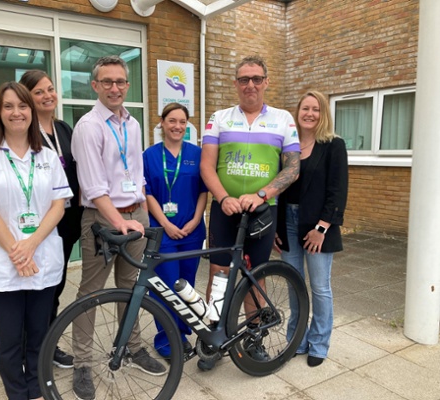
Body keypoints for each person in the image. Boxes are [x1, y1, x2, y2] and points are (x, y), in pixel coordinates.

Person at [0, 81, 73, 399]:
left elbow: (58, 206)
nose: (17, 112)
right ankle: (16, 393)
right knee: (10, 341)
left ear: (31, 110)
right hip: (2, 265)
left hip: (41, 259)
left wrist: (30, 245)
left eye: (23, 106)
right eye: (8, 106)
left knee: (40, 336)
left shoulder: (49, 157)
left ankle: (38, 390)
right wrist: (17, 250)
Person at [70, 55, 166, 400]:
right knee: (91, 293)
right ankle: (82, 364)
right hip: (102, 220)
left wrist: (140, 208)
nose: (115, 88)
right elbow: (94, 188)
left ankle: (133, 347)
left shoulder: (133, 123)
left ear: (127, 85)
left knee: (131, 286)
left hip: (134, 214)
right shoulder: (88, 126)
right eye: (107, 82)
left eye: (120, 82)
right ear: (95, 86)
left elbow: (135, 169)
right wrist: (120, 220)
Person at [199, 55, 300, 371]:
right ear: (236, 84)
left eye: (257, 78)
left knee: (256, 276)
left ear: (266, 81)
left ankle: (254, 338)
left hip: (262, 211)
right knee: (218, 274)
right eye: (244, 79)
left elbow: (293, 168)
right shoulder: (219, 118)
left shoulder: (283, 119)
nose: (250, 85)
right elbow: (206, 165)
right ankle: (213, 337)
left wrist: (262, 194)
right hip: (224, 209)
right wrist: (223, 196)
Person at [274, 90, 348, 367]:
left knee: (319, 287)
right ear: (298, 112)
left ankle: (318, 343)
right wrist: (276, 228)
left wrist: (321, 228)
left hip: (317, 228)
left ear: (323, 114)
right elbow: (278, 188)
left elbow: (337, 192)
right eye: (305, 108)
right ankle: (297, 340)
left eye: (315, 109)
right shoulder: (287, 145)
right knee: (294, 287)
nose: (309, 114)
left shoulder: (333, 145)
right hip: (288, 225)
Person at [19, 70, 84, 369]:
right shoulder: (26, 132)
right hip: (42, 220)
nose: (48, 96)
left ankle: (47, 344)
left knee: (55, 284)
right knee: (35, 286)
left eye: (50, 89)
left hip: (69, 219)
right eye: (39, 92)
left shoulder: (64, 128)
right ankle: (29, 347)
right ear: (28, 99)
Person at [143, 102, 208, 359]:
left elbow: (204, 190)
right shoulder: (149, 155)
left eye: (182, 122)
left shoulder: (197, 153)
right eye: (172, 121)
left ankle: (181, 333)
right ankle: (166, 340)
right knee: (165, 287)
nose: (177, 126)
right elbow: (146, 193)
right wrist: (166, 224)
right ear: (162, 123)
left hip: (192, 231)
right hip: (163, 232)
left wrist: (195, 220)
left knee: (186, 286)